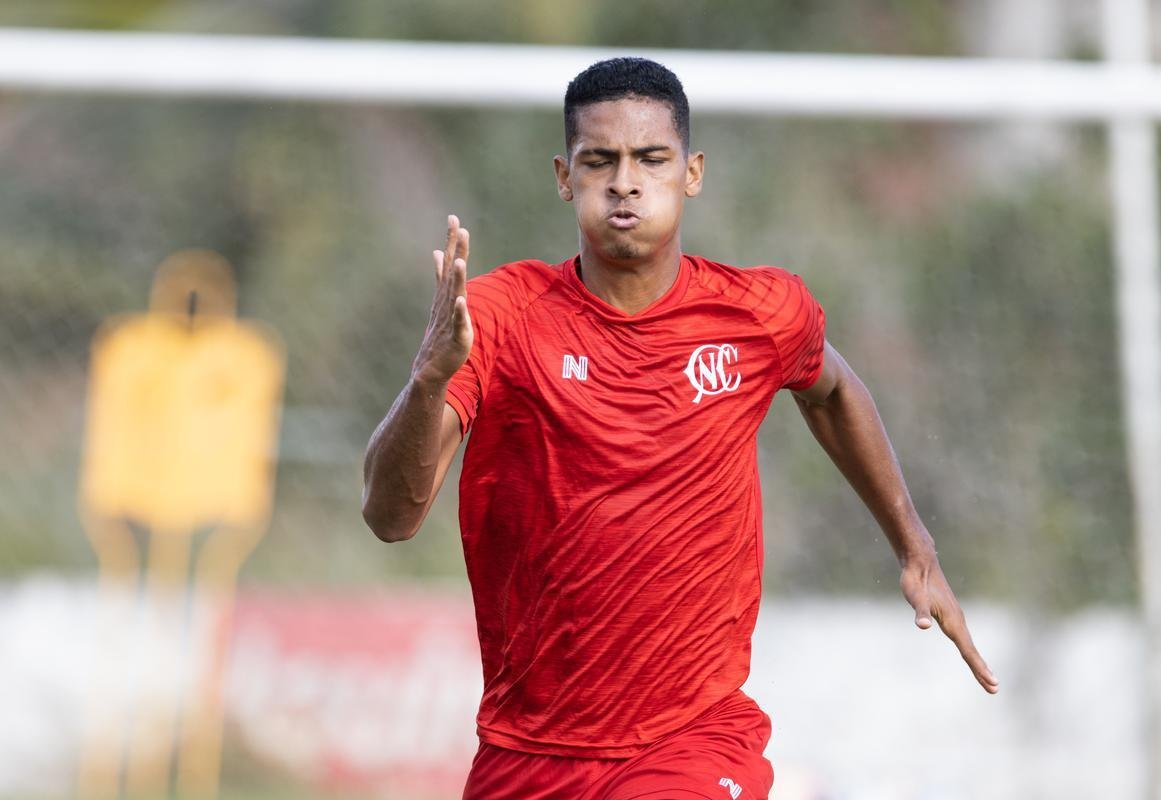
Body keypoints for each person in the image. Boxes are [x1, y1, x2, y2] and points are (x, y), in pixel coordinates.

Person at [362, 57, 999, 800]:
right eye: (599, 160)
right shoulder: (502, 317)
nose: (624, 181)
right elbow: (389, 518)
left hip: (692, 741)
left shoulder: (758, 312)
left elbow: (830, 390)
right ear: (565, 177)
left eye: (650, 159)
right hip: (528, 752)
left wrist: (913, 545)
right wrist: (427, 379)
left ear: (690, 172)